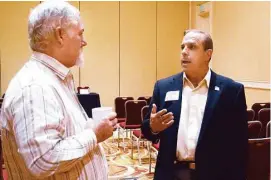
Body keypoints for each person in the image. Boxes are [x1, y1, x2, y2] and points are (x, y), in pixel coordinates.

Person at [0, 1, 117, 179]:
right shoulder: (35, 86)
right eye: (80, 34)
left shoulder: (52, 79)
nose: (84, 42)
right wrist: (95, 135)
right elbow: (44, 159)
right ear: (60, 35)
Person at [141, 29, 248, 180]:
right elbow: (146, 128)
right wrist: (153, 128)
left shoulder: (231, 90)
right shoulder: (164, 87)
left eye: (192, 47)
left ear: (208, 54)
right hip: (171, 173)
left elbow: (239, 145)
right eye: (182, 47)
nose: (184, 52)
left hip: (213, 174)